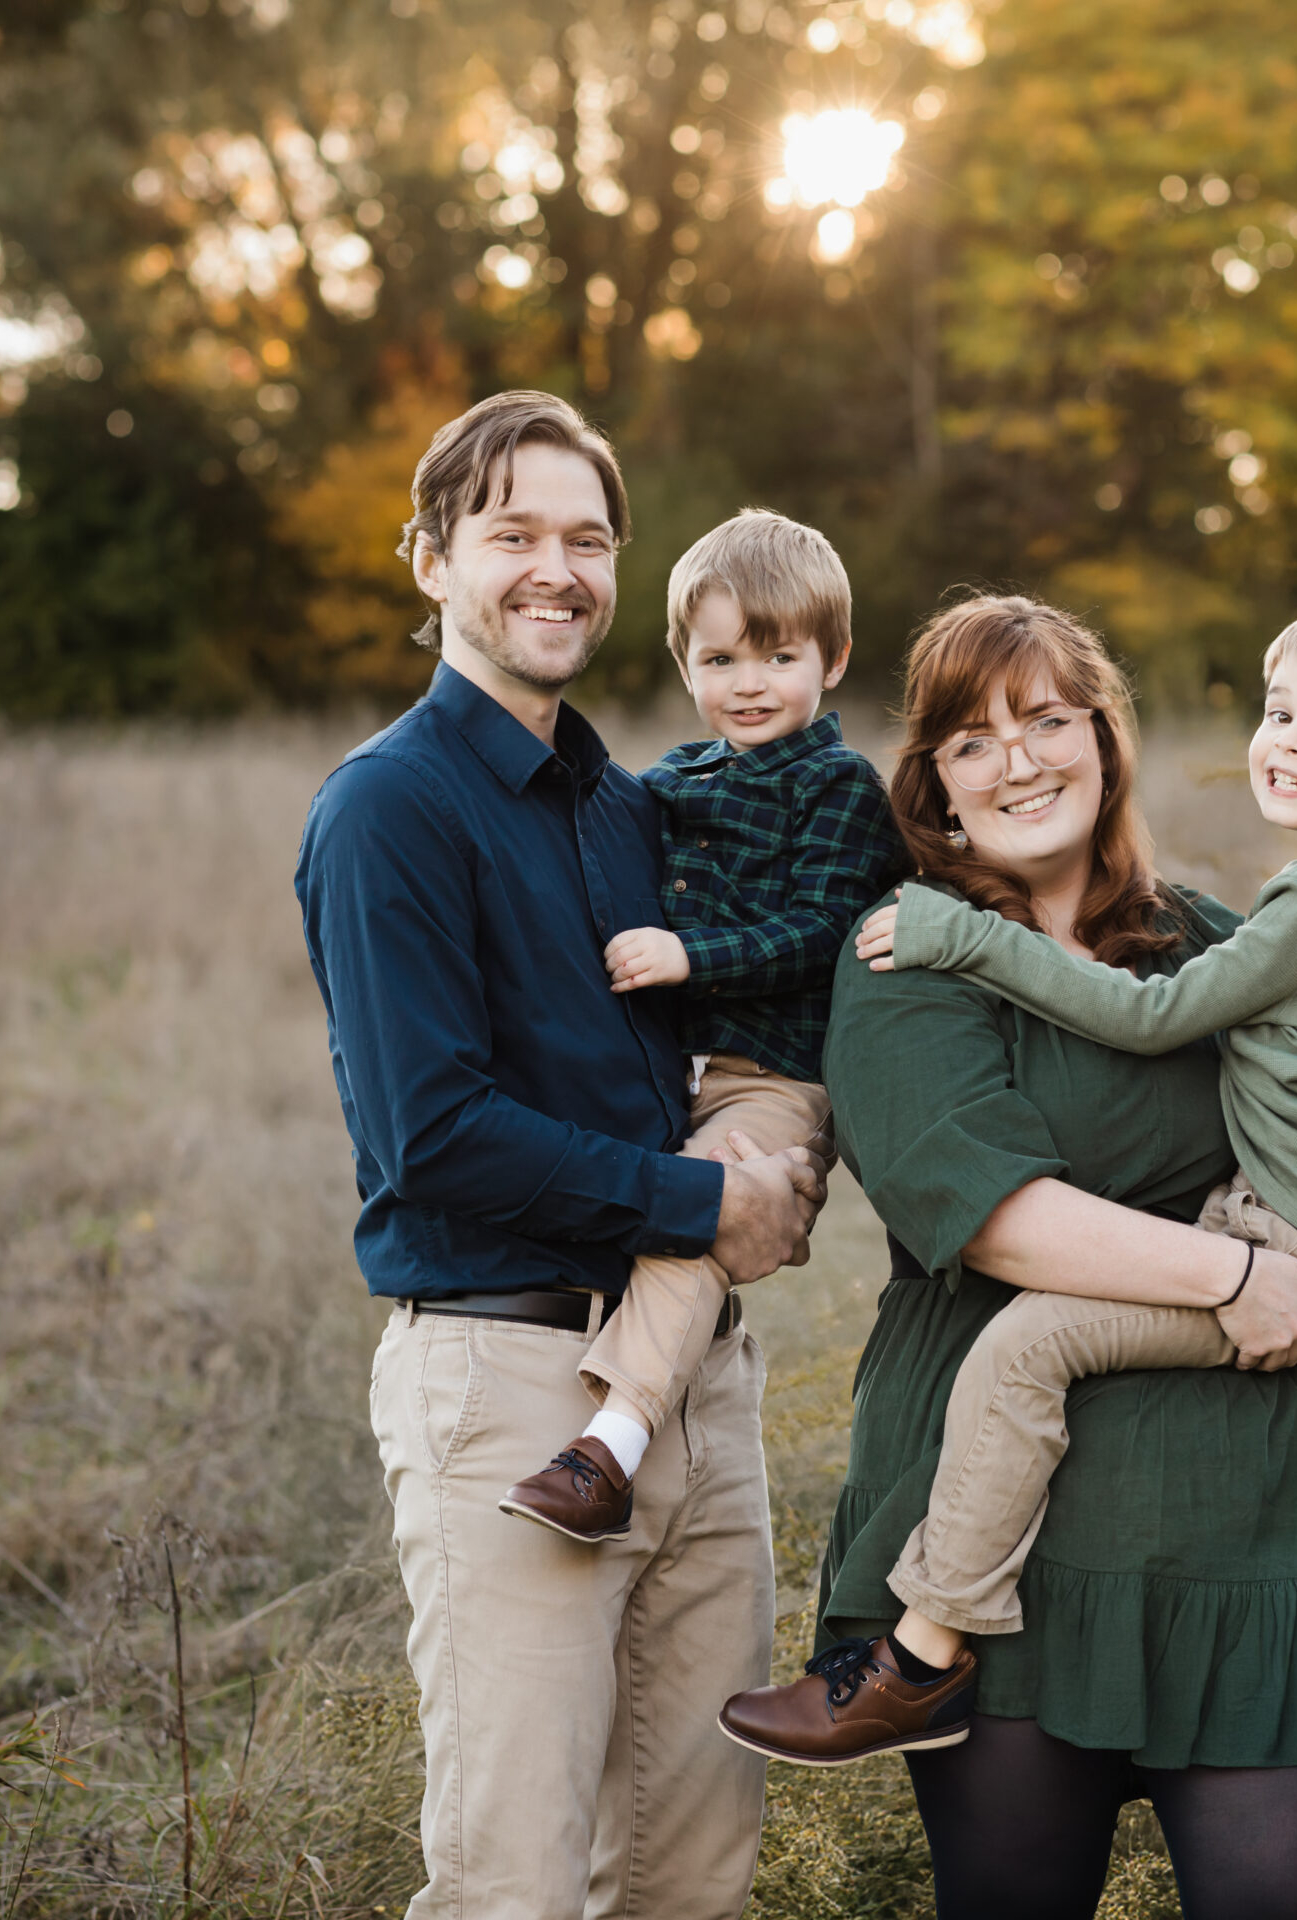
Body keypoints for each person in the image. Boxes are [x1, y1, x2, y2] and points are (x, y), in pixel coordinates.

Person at [717, 596, 1297, 1920]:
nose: (1014, 762)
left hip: (1247, 1532)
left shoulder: (1223, 934)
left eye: (1046, 722)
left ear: (1106, 741)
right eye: (969, 741)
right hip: (1015, 1559)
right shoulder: (906, 958)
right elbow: (999, 1216)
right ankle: (913, 1655)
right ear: (937, 785)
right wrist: (1235, 1279)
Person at [292, 391, 823, 1920]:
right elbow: (429, 1136)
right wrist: (707, 1199)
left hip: (696, 1390)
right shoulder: (390, 808)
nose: (557, 569)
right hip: (510, 1391)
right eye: (513, 533)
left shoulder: (626, 806)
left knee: (689, 1873)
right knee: (511, 1883)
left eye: (587, 539)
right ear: (432, 561)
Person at [500, 508, 905, 1542]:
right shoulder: (672, 783)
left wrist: (690, 957)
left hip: (774, 1075)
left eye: (779, 656)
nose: (750, 683)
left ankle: (610, 1448)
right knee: (632, 1206)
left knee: (707, 1210)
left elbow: (823, 931)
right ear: (685, 663)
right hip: (665, 1065)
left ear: (834, 658)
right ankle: (588, 1405)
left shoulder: (838, 787)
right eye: (720, 658)